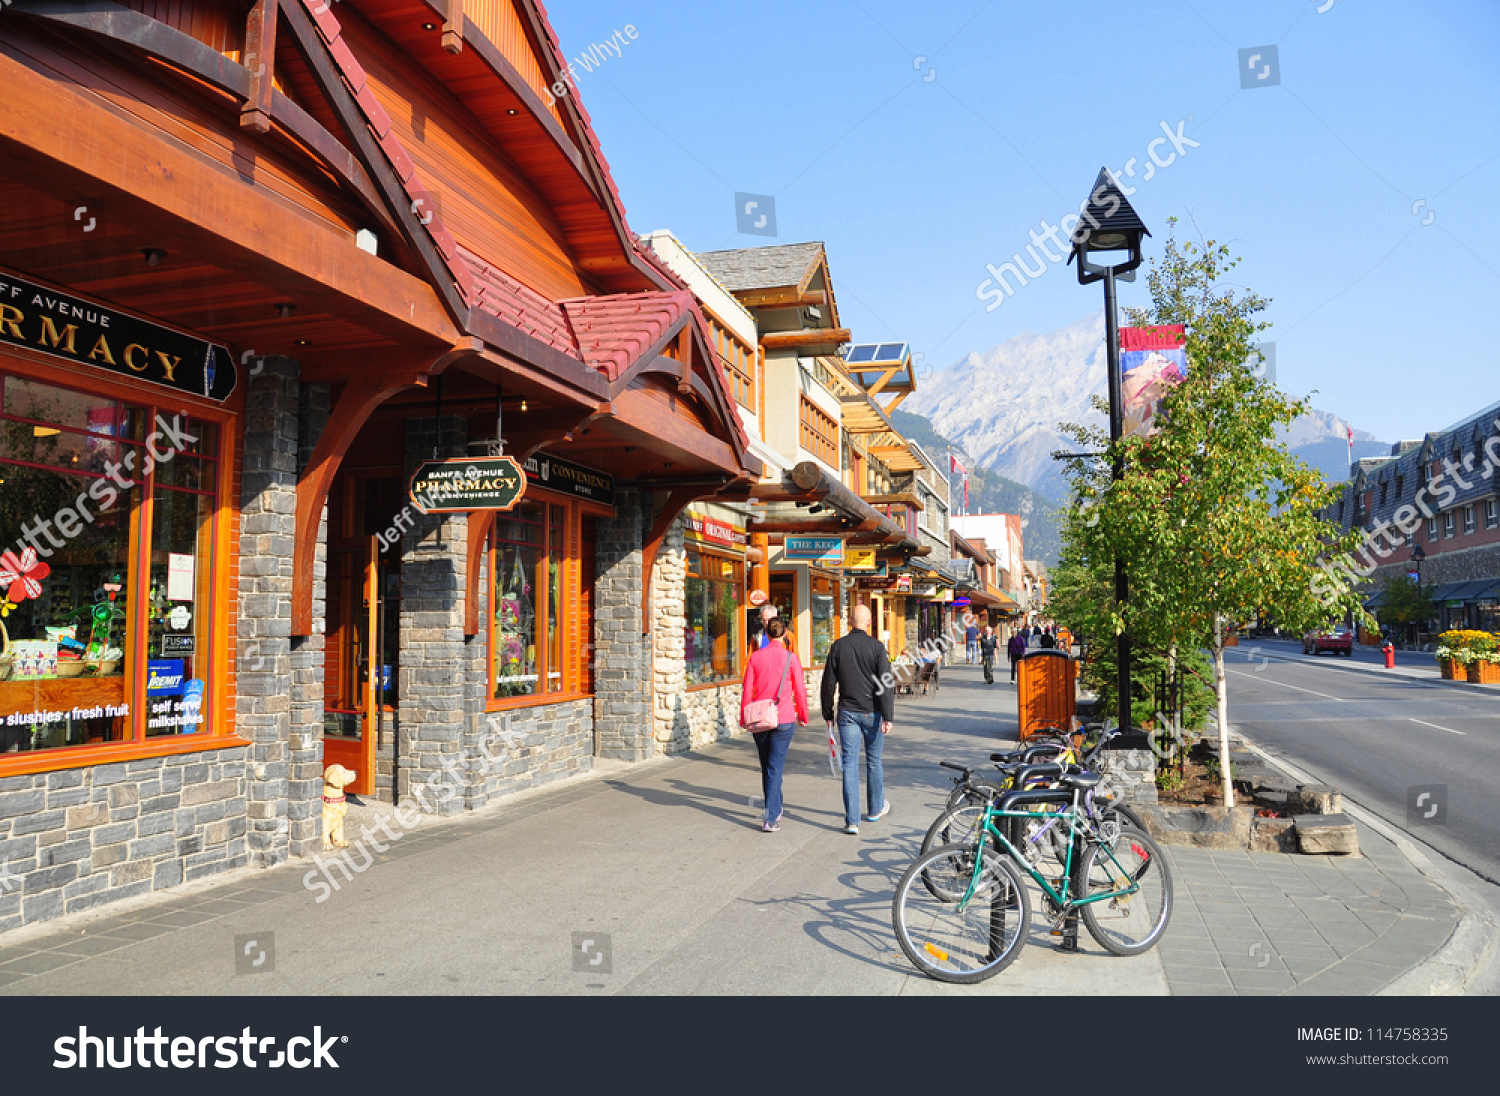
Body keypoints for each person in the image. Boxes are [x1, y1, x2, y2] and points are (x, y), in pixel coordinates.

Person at [820, 603, 894, 835]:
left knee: (849, 765)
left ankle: (852, 820)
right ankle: (874, 809)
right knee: (874, 761)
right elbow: (886, 684)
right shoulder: (877, 647)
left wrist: (827, 712)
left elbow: (828, 683)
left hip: (847, 713)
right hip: (872, 712)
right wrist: (888, 715)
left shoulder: (838, 647)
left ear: (850, 621)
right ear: (870, 622)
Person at [739, 617, 808, 833]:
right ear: (785, 634)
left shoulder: (755, 658)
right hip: (784, 717)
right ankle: (770, 817)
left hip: (760, 718)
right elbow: (800, 689)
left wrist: (744, 717)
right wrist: (803, 715)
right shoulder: (791, 658)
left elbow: (747, 688)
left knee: (767, 766)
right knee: (774, 766)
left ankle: (775, 809)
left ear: (767, 634)